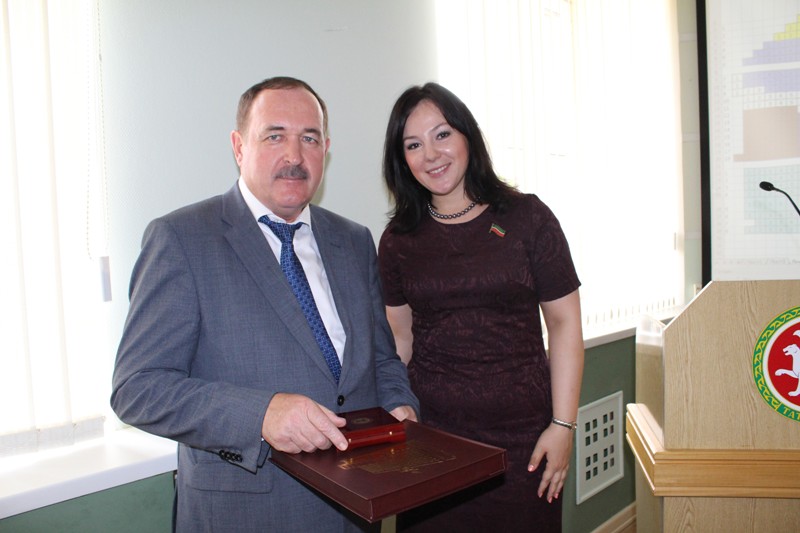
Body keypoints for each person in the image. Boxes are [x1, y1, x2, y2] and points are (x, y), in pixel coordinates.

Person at [111, 76, 419, 533]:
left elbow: (382, 358)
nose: (294, 156)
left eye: (308, 139)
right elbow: (137, 388)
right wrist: (261, 414)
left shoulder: (354, 241)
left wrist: (399, 404)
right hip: (247, 514)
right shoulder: (181, 239)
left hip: (357, 510)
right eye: (275, 136)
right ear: (239, 147)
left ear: (325, 150)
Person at [378, 82, 584, 532]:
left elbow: (565, 325)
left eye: (442, 134)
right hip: (431, 443)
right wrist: (391, 415)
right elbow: (400, 338)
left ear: (467, 135)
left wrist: (563, 426)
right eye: (413, 144)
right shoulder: (398, 240)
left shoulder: (528, 218)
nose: (431, 154)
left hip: (524, 442)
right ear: (402, 159)